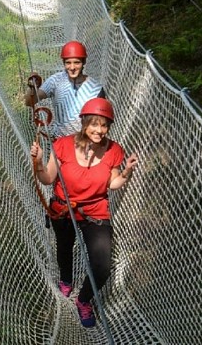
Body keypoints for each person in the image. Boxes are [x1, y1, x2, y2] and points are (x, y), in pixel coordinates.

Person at [30, 98, 138, 327]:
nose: (99, 130)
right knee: (64, 248)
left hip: (95, 211)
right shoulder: (62, 145)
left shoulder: (113, 150)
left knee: (102, 266)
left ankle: (83, 300)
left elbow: (114, 183)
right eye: (95, 124)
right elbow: (48, 178)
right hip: (63, 208)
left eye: (104, 125)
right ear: (84, 123)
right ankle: (66, 278)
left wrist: (126, 172)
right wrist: (39, 163)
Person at [25, 40, 106, 138]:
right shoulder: (55, 80)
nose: (72, 67)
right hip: (61, 141)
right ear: (63, 63)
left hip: (85, 141)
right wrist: (32, 86)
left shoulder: (95, 89)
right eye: (68, 63)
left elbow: (101, 122)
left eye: (77, 63)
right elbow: (30, 102)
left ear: (84, 62)